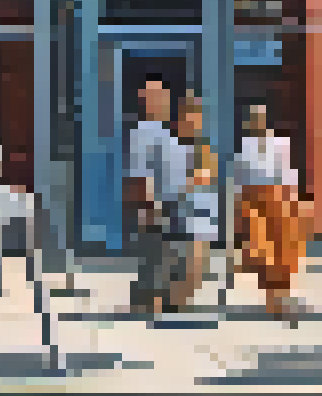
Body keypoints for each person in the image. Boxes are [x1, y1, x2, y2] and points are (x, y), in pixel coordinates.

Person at [234, 99, 309, 322]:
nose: (255, 123)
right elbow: (239, 181)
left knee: (283, 254)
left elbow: (290, 175)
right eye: (252, 119)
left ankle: (282, 297)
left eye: (259, 118)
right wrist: (240, 208)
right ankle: (272, 301)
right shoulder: (244, 148)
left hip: (280, 202)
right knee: (262, 254)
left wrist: (296, 203)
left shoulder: (280, 144)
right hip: (255, 204)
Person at [124, 73, 189, 318]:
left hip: (172, 202)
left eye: (162, 95)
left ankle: (155, 301)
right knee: (156, 255)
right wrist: (148, 206)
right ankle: (151, 303)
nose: (160, 101)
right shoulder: (144, 131)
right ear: (144, 100)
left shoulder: (163, 130)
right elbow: (140, 173)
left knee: (166, 255)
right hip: (158, 203)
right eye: (153, 96)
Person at [169, 95, 222, 312]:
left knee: (198, 265)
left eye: (196, 115)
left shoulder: (204, 147)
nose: (192, 119)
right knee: (186, 262)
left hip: (202, 213)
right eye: (188, 115)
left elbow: (209, 177)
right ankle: (175, 303)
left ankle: (179, 302)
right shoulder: (174, 145)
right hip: (182, 213)